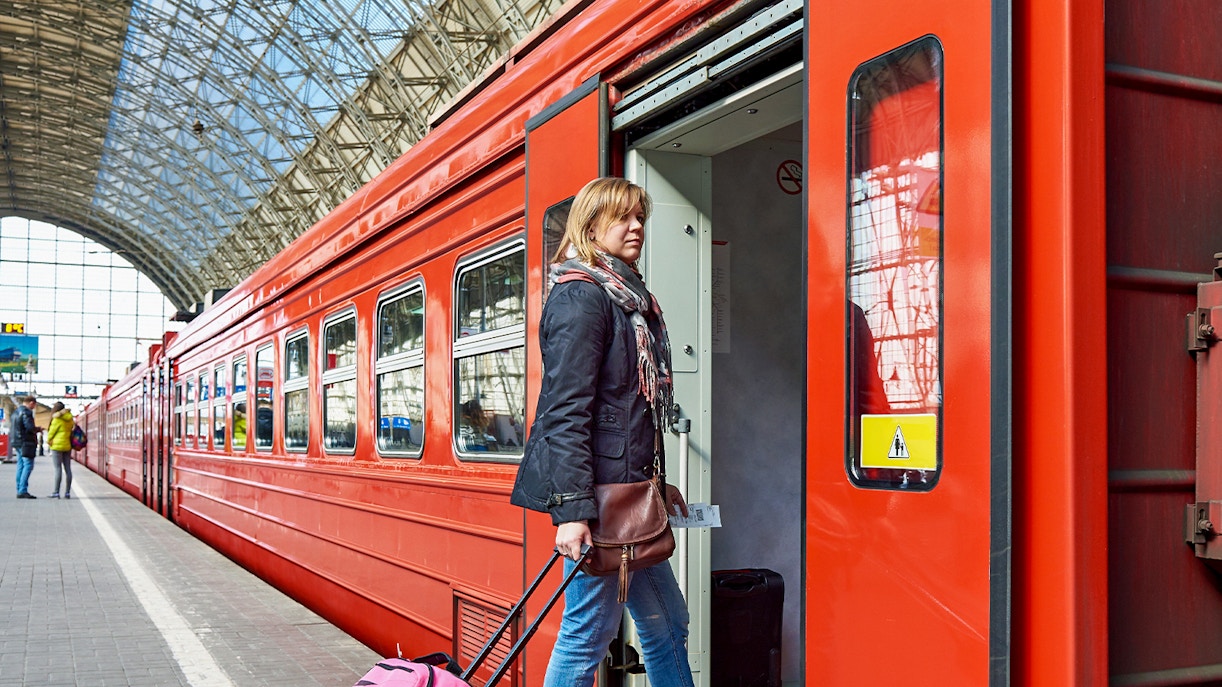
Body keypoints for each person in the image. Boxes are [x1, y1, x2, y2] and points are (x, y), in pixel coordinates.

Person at [509, 177, 694, 687]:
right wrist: (572, 513)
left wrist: (655, 484)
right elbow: (565, 413)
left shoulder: (629, 296)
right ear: (591, 225)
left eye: (641, 217)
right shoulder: (582, 297)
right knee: (587, 634)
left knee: (667, 625)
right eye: (623, 217)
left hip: (630, 497)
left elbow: (632, 411)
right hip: (599, 505)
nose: (637, 227)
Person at [45, 401, 74, 498]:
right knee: (68, 469)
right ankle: (67, 492)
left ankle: (56, 492)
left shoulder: (57, 419)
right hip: (67, 446)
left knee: (58, 469)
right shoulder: (70, 419)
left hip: (57, 447)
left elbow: (51, 433)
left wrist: (48, 441)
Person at [14, 396, 41, 499]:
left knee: (20, 466)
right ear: (31, 403)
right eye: (34, 405)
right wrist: (38, 429)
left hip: (17, 442)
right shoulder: (27, 412)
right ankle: (23, 490)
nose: (34, 407)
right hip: (26, 443)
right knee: (28, 465)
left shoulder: (16, 412)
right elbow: (29, 427)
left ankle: (19, 489)